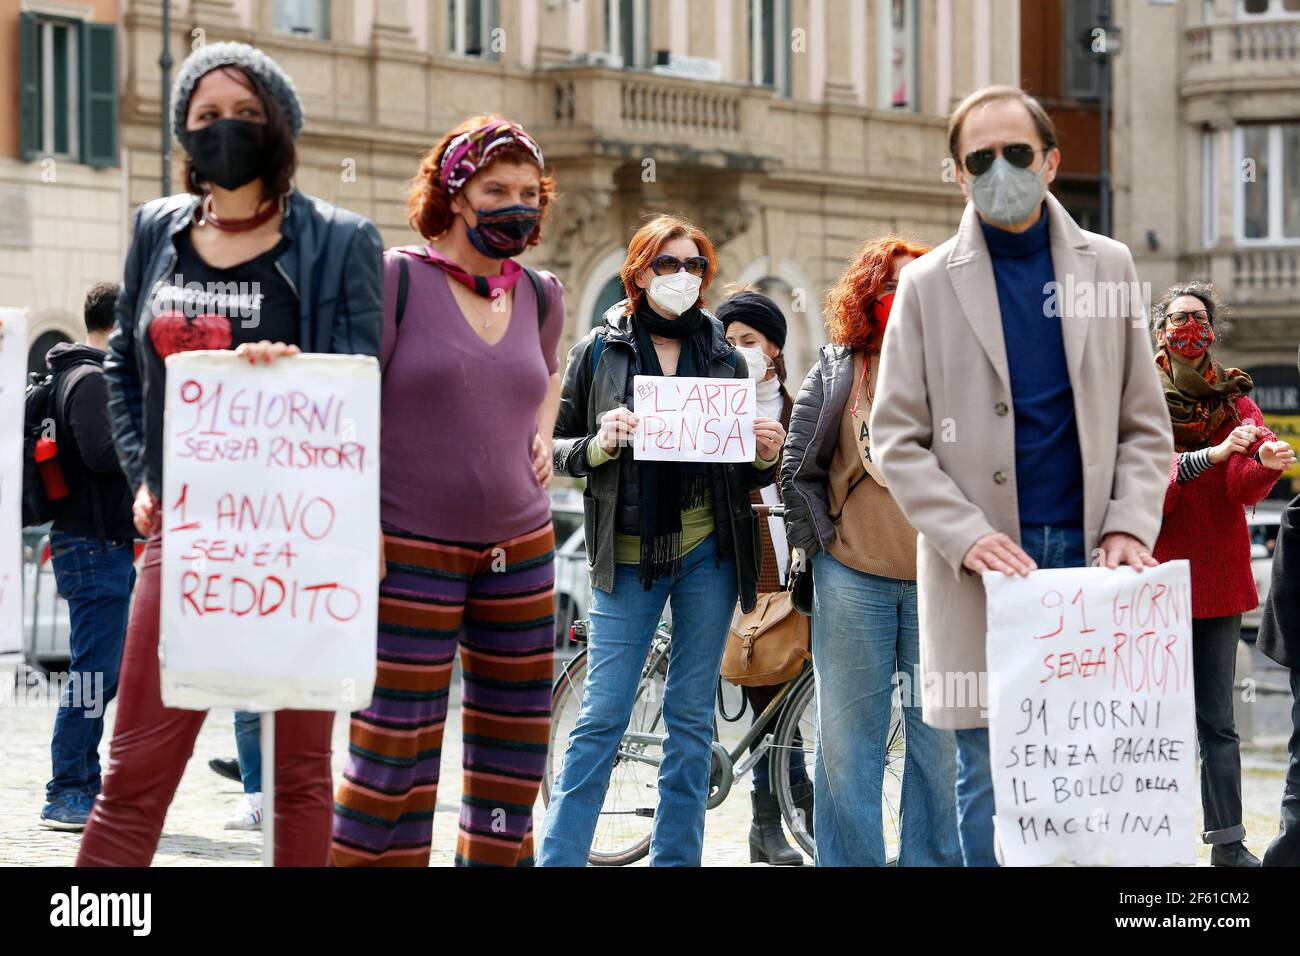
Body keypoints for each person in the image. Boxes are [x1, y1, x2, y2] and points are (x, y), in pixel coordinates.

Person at [77, 41, 383, 867]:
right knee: (135, 772)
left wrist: (290, 372)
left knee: (299, 777)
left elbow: (363, 384)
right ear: (183, 131)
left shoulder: (338, 240)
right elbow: (123, 362)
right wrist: (145, 470)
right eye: (206, 115)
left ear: (279, 126)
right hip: (186, 534)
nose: (224, 129)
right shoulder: (155, 230)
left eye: (245, 114)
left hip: (300, 542)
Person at [870, 85, 1173, 867]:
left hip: (1094, 561)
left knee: (1096, 769)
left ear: (1052, 161)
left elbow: (1146, 423)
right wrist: (965, 535)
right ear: (958, 174)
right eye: (980, 158)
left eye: (1017, 153)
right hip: (984, 570)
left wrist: (1130, 524)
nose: (1000, 169)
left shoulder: (1110, 264)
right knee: (987, 772)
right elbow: (895, 438)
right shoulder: (926, 283)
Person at [330, 115, 562, 867]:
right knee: (393, 741)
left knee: (514, 744)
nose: (516, 205)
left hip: (521, 548)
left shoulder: (542, 293)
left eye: (529, 192)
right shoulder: (397, 279)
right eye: (496, 189)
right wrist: (357, 530)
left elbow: (545, 371)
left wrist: (540, 428)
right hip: (407, 546)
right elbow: (350, 406)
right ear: (455, 193)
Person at [539, 215, 786, 866]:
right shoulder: (599, 348)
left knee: (690, 721)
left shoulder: (724, 356)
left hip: (710, 553)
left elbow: (741, 467)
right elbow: (556, 451)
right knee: (602, 718)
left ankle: (675, 859)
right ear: (640, 271)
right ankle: (559, 857)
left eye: (695, 265)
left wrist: (765, 456)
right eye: (669, 264)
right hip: (626, 556)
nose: (683, 276)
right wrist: (599, 442)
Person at [781, 237, 961, 867]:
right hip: (851, 580)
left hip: (941, 584)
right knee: (846, 747)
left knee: (938, 746)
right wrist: (822, 547)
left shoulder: (957, 369)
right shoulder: (838, 368)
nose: (903, 298)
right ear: (867, 296)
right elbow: (796, 468)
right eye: (890, 286)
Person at [1149, 282, 1294, 867]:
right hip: (1151, 577)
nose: (1191, 328)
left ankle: (1228, 845)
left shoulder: (1238, 400)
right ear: (1161, 330)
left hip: (1216, 575)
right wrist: (1210, 457)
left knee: (1218, 722)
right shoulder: (1138, 395)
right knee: (1151, 721)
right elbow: (1142, 491)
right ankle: (1148, 841)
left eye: (1200, 319)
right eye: (1180, 319)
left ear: (1212, 329)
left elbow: (1239, 488)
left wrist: (1261, 463)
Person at [38, 282, 137, 832]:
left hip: (96, 543)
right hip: (94, 545)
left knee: (101, 671)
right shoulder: (95, 378)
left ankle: (85, 783)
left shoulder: (76, 374)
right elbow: (103, 454)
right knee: (93, 673)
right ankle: (67, 789)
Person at [717, 289, 811, 866]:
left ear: (773, 348)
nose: (738, 352)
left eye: (748, 342)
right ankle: (773, 821)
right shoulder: (713, 409)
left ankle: (779, 820)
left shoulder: (802, 408)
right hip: (741, 575)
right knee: (768, 705)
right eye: (727, 344)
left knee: (786, 704)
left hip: (796, 576)